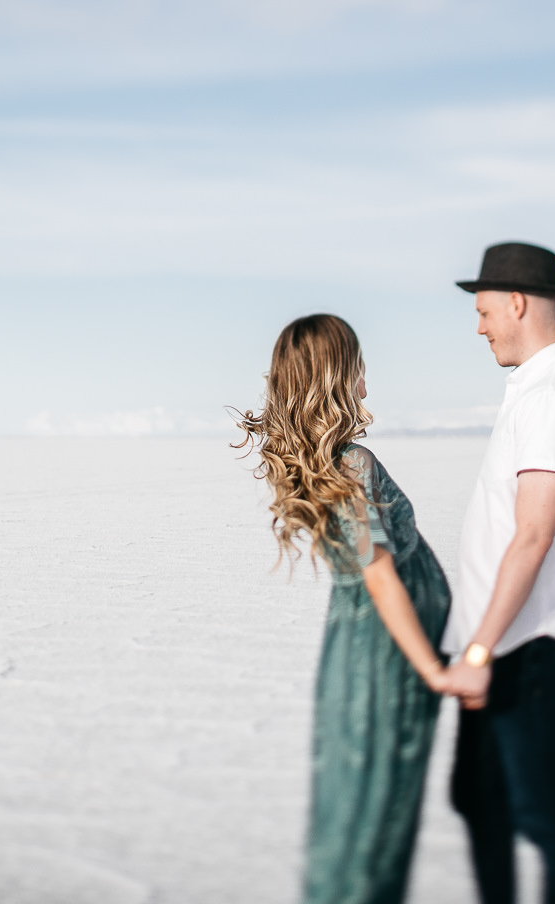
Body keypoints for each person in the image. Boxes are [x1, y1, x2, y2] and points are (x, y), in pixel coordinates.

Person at [235, 314, 453, 904]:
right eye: (358, 363)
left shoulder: (331, 460)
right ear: (338, 375)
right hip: (382, 663)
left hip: (362, 653)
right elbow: (379, 575)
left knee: (360, 813)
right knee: (371, 819)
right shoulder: (351, 464)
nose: (366, 378)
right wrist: (432, 669)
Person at [441, 243, 555, 904]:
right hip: (503, 641)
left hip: (523, 644)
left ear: (516, 302)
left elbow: (532, 535)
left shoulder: (553, 399)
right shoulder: (537, 391)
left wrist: (481, 649)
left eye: (484, 312)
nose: (479, 326)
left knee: (540, 813)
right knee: (480, 801)